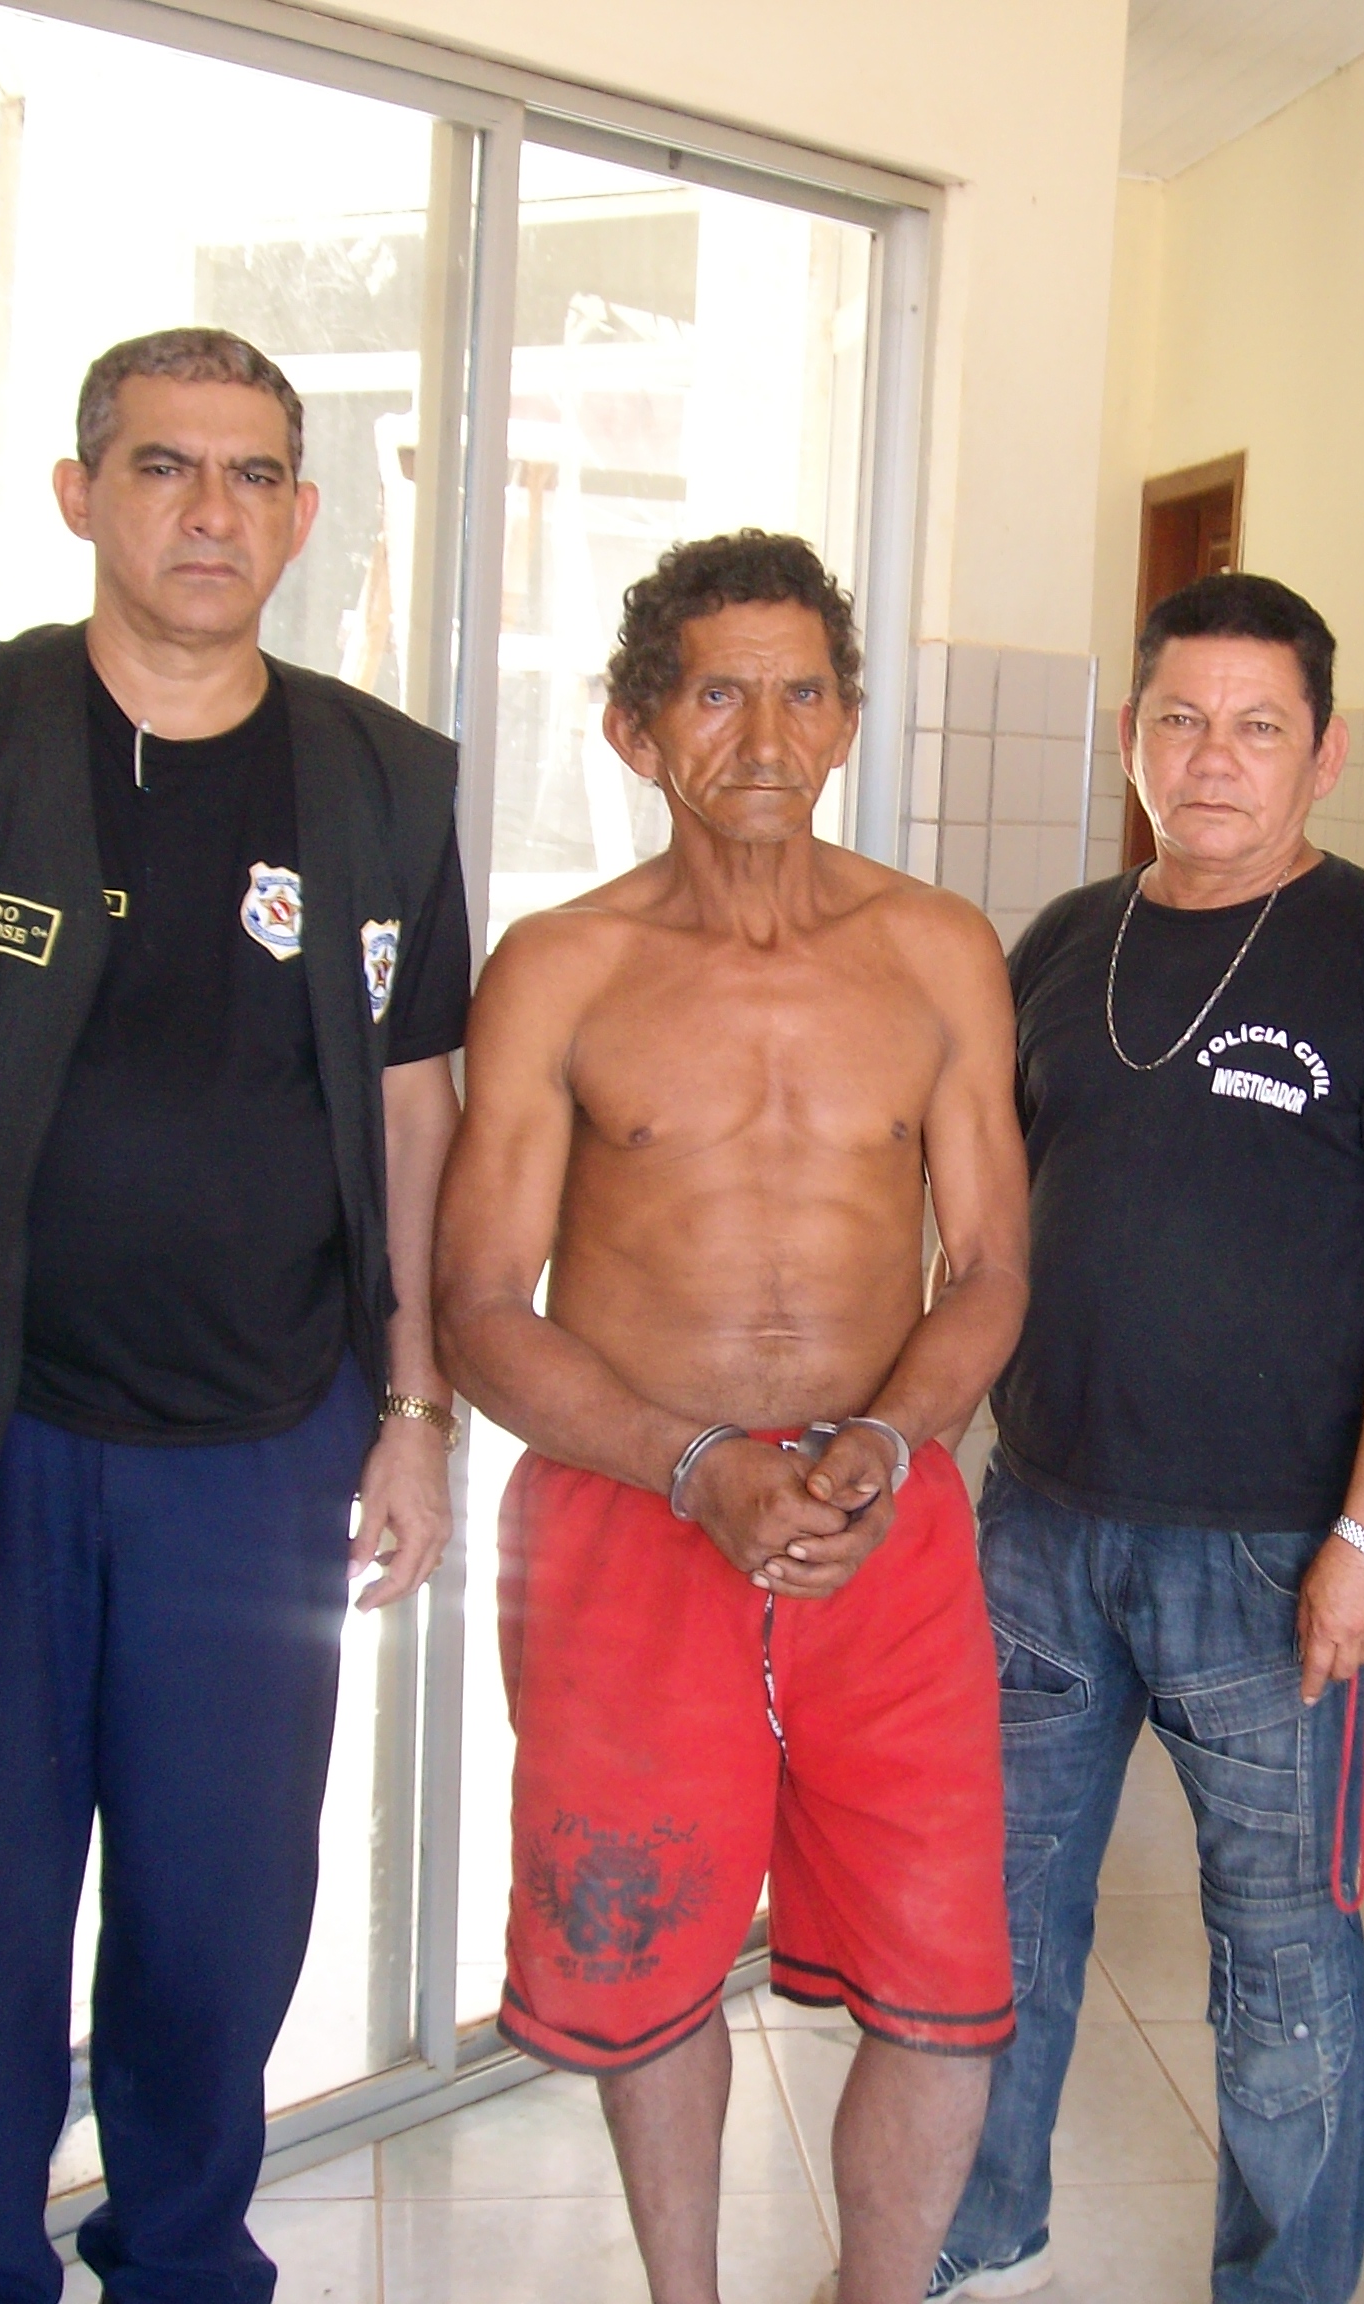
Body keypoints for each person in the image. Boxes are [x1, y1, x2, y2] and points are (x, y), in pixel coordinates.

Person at [0, 327, 471, 2302]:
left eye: (253, 475)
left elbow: (420, 1118)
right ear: (81, 495)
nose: (209, 512)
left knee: (219, 1917)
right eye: (163, 467)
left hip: (262, 1455)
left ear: (303, 518)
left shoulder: (384, 782)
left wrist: (419, 1410)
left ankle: (180, 2259)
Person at [431, 530, 1031, 2304]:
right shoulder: (561, 966)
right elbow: (479, 1307)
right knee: (645, 1961)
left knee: (942, 1978)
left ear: (845, 719)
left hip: (881, 1521)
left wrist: (893, 1442)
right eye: (715, 694)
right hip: (631, 1517)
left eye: (801, 693)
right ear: (636, 728)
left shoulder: (937, 952)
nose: (764, 736)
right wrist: (692, 1466)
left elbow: (993, 1262)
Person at [934, 573, 1364, 2304]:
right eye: (1181, 720)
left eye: (1258, 726)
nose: (1213, 759)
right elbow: (985, 1229)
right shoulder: (1063, 943)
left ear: (1324, 756)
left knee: (1281, 1971)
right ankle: (975, 2228)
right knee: (994, 1922)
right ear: (1131, 737)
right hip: (1040, 1528)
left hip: (1276, 1556)